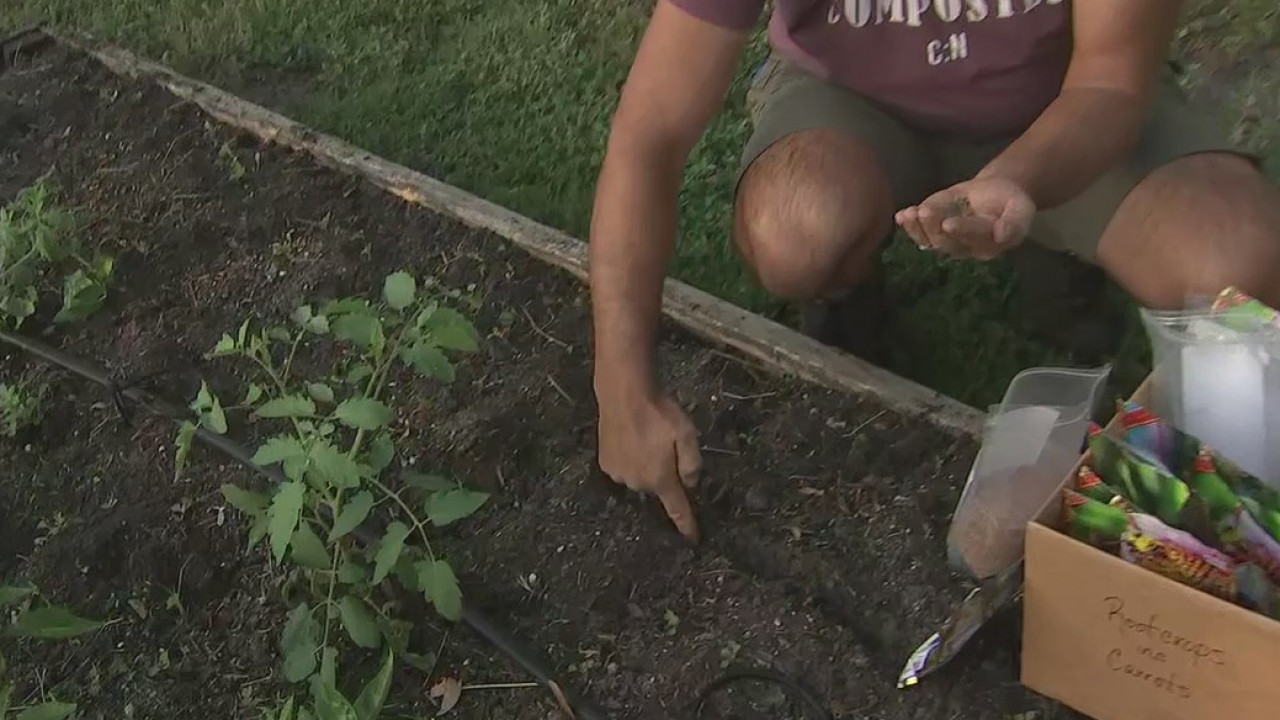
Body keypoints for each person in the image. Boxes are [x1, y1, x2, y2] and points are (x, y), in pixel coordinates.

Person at [588, 0, 1280, 543]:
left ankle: (1055, 253)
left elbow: (1110, 82)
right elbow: (651, 130)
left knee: (1233, 263)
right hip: (854, 101)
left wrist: (1020, 179)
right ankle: (847, 291)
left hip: (1070, 95)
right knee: (795, 228)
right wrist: (620, 387)